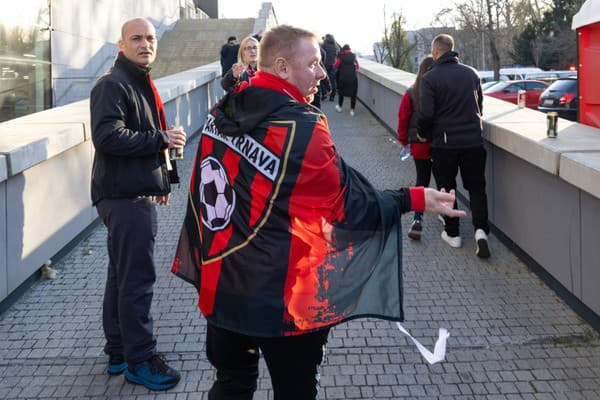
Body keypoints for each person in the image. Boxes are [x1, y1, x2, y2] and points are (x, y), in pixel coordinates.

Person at [172, 25, 466, 400]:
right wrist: (413, 199)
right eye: (313, 64)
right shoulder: (301, 125)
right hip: (281, 295)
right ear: (281, 66)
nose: (323, 73)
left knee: (232, 384)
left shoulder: (222, 111)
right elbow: (348, 207)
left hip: (224, 283)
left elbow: (201, 195)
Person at [90, 17, 185, 390]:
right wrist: (161, 138)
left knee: (121, 276)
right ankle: (140, 359)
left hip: (131, 191)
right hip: (124, 197)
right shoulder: (113, 84)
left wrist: (161, 180)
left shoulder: (138, 82)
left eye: (149, 38)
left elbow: (141, 137)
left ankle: (117, 351)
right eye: (136, 38)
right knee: (137, 281)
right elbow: (108, 137)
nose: (145, 44)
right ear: (121, 45)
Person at [418, 33, 491, 258]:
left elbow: (426, 114)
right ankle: (480, 231)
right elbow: (480, 105)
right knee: (477, 188)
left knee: (446, 189)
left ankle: (453, 234)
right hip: (473, 141)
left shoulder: (430, 78)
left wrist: (423, 135)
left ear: (436, 52)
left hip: (445, 144)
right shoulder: (472, 73)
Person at [397, 55, 435, 240]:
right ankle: (447, 216)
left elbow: (403, 118)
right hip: (441, 144)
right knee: (444, 180)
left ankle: (418, 219)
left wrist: (404, 141)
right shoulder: (441, 91)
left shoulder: (411, 92)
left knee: (422, 180)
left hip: (419, 145)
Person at [333, 44, 359, 116]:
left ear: (343, 50)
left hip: (343, 78)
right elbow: (357, 66)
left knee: (341, 92)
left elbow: (335, 66)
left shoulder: (341, 57)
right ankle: (352, 111)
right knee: (353, 94)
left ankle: (340, 107)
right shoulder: (353, 56)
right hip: (352, 78)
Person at [321, 33, 339, 101]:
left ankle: (324, 94)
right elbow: (338, 54)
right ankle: (332, 97)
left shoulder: (323, 45)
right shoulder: (335, 46)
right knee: (333, 81)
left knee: (323, 80)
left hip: (325, 65)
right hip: (333, 65)